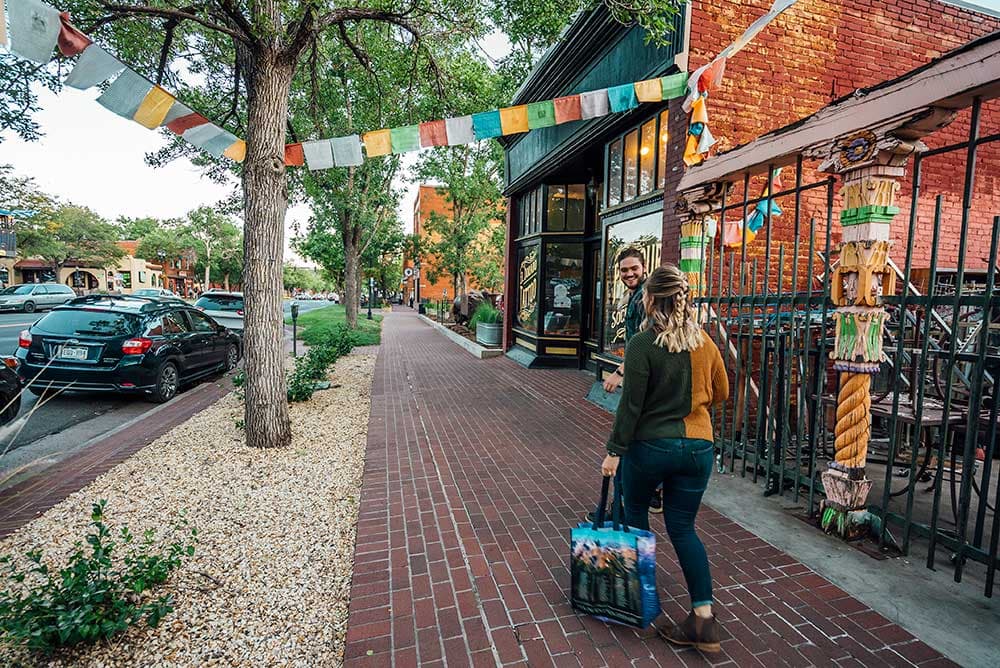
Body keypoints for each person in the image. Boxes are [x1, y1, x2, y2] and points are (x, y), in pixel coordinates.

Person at [600, 264, 729, 652]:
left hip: (651, 447)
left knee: (636, 514)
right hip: (699, 448)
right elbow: (722, 391)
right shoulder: (704, 342)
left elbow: (631, 407)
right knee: (684, 528)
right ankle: (703, 621)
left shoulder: (642, 344)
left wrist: (613, 453)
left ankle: (638, 601)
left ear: (651, 299)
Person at [590, 247, 662, 518]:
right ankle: (649, 491)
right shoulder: (635, 296)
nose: (629, 273)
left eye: (634, 268)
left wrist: (620, 372)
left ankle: (619, 510)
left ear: (644, 268)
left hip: (643, 378)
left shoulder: (645, 297)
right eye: (624, 270)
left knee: (625, 440)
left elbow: (645, 341)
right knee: (638, 437)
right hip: (641, 375)